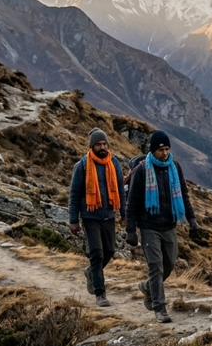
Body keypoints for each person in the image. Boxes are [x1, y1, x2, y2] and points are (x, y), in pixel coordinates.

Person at [125, 130, 200, 323]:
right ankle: (160, 308)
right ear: (153, 150)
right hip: (149, 226)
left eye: (167, 149)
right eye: (161, 150)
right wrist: (131, 230)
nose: (165, 153)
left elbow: (183, 194)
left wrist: (192, 220)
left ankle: (148, 287)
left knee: (170, 263)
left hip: (169, 226)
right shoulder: (141, 170)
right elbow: (132, 202)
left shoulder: (174, 167)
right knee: (156, 267)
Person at [68, 128, 125, 307]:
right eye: (98, 144)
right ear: (92, 146)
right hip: (90, 216)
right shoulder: (82, 165)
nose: (102, 147)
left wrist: (124, 214)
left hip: (109, 215)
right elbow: (74, 194)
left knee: (109, 251)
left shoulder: (114, 163)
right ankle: (100, 293)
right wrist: (73, 220)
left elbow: (120, 191)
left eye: (104, 144)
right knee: (97, 253)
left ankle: (92, 272)